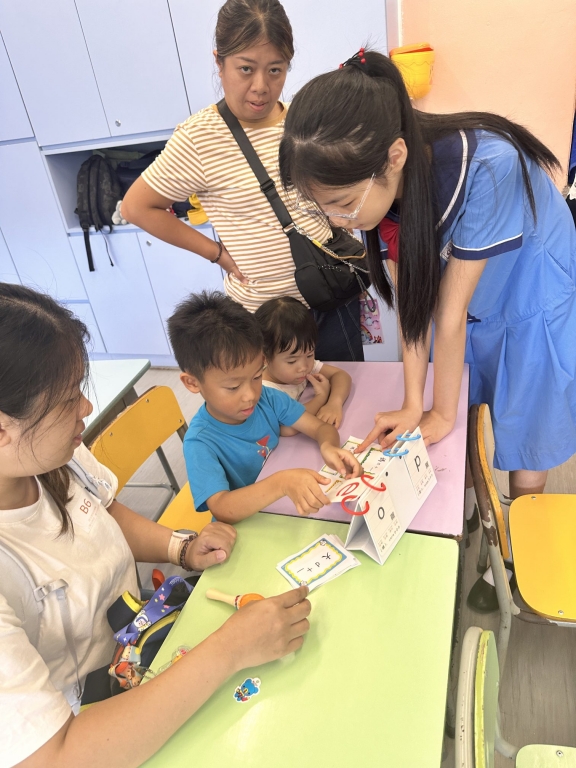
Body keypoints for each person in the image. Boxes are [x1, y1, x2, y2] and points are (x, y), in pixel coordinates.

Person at [278, 49, 576, 610]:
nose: (338, 222)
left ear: (393, 157)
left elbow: (448, 313)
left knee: (525, 428)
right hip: (473, 303)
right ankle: (477, 526)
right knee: (460, 416)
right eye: (324, 209)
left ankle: (517, 556)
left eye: (342, 205)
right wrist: (416, 404)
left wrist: (436, 411)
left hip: (533, 297)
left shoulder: (489, 167)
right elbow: (416, 306)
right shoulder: (382, 190)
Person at [0, 283, 311, 768]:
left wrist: (181, 548)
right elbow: (53, 756)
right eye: (66, 400)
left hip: (138, 644)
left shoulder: (53, 458)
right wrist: (229, 649)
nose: (86, 408)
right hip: (98, 725)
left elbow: (102, 514)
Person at [121, 0, 363, 362]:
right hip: (267, 318)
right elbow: (136, 207)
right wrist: (216, 253)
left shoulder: (305, 120)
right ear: (219, 62)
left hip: (332, 296)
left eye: (276, 70)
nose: (261, 87)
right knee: (277, 399)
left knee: (346, 389)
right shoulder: (199, 138)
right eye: (246, 69)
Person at [167, 291, 362, 522]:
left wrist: (328, 446)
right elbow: (222, 507)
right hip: (250, 523)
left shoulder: (268, 398)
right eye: (233, 387)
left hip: (285, 510)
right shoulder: (200, 442)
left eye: (257, 377)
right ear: (192, 382)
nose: (251, 395)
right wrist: (281, 483)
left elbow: (320, 428)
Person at [255, 296, 352, 428]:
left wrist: (334, 403)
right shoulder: (264, 392)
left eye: (310, 354)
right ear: (264, 358)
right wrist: (321, 397)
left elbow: (341, 375)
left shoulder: (302, 364)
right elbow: (286, 427)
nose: (304, 367)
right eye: (292, 361)